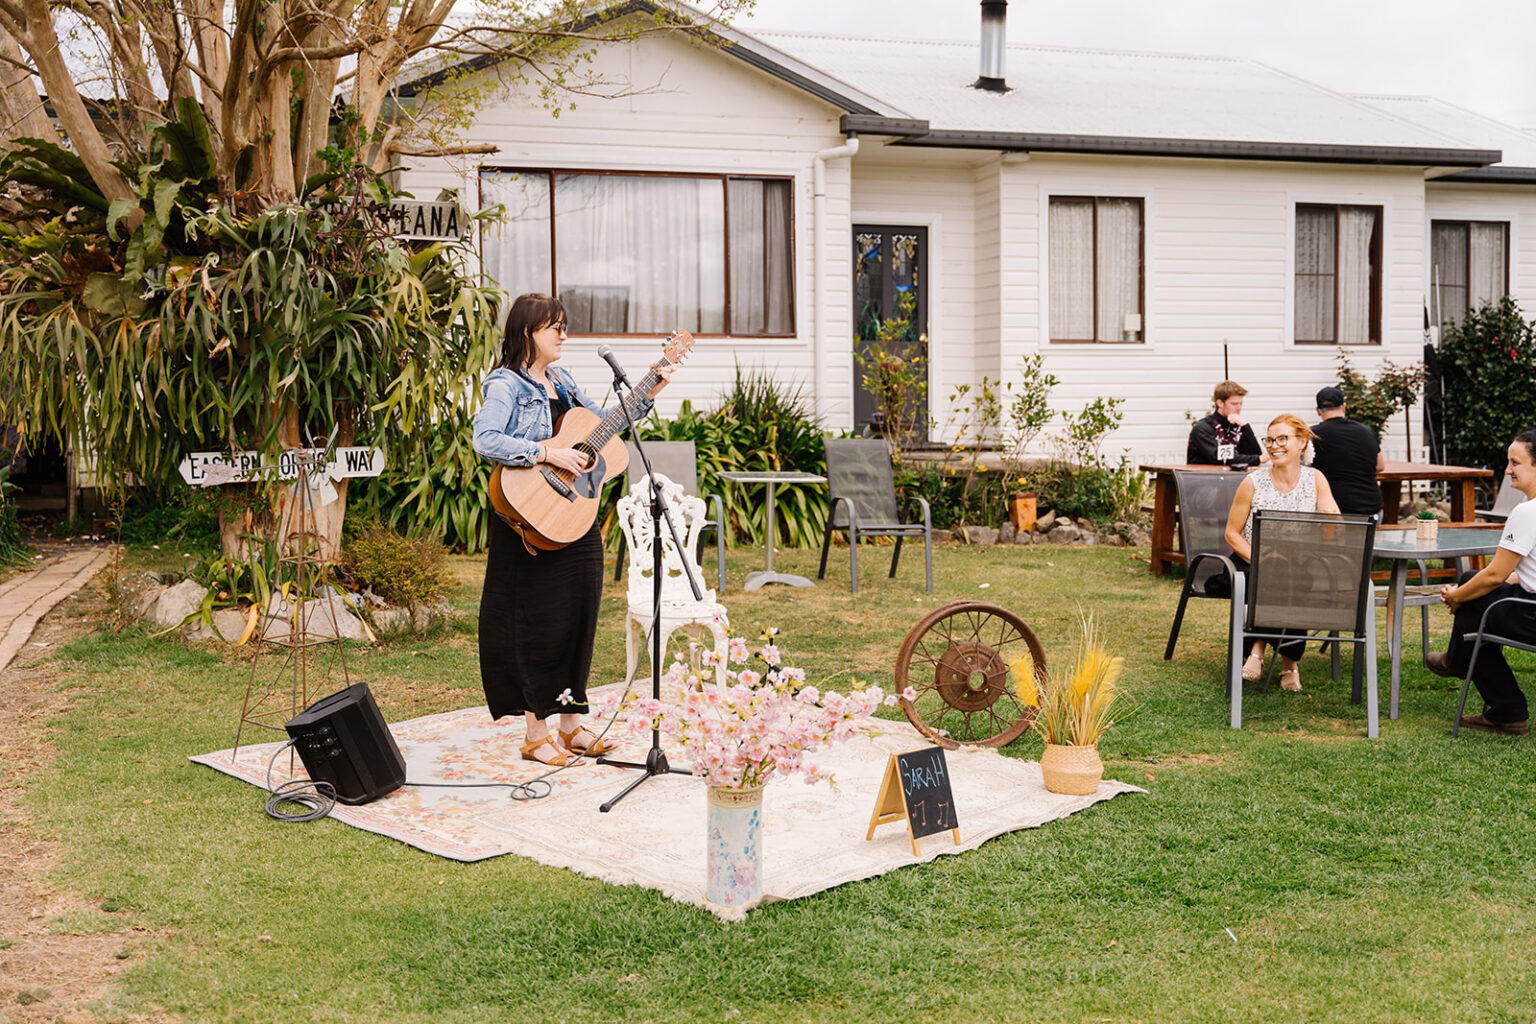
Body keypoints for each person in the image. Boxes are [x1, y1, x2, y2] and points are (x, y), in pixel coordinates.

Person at [472, 293, 673, 766]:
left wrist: (649, 390)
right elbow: (485, 438)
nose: (563, 335)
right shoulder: (504, 384)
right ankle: (534, 733)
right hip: (527, 515)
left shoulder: (562, 379)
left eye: (563, 326)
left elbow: (603, 426)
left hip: (574, 516)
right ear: (527, 332)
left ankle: (571, 726)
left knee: (578, 617)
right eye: (553, 327)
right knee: (533, 625)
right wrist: (547, 453)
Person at [1423, 429, 1536, 736]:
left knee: (1473, 606)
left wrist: (1458, 597)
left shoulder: (1527, 512)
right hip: (1528, 601)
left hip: (1532, 614)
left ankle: (1504, 708)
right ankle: (1457, 661)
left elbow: (1495, 575)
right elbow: (1521, 574)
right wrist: (1464, 590)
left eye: (1515, 463)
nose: (1508, 470)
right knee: (1471, 583)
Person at [1223, 414, 1340, 692]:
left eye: (1282, 439)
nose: (1274, 446)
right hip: (1252, 560)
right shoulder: (1253, 482)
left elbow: (1332, 524)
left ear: (1302, 442)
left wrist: (1328, 523)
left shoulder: (1316, 479)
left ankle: (1258, 647)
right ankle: (1289, 665)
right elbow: (1231, 534)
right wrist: (1260, 559)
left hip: (1297, 562)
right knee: (1283, 576)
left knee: (1292, 574)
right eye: (1270, 440)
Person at [1310, 386, 1384, 518]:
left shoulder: (1313, 435)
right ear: (1343, 407)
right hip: (1372, 510)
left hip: (1335, 511)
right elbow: (1380, 466)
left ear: (1317, 410)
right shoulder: (1367, 431)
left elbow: (1305, 467)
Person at [1188, 381, 1264, 467]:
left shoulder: (1237, 425)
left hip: (1230, 477)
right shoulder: (1203, 427)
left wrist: (1245, 427)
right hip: (1203, 477)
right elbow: (1217, 457)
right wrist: (1256, 459)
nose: (1239, 408)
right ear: (1220, 403)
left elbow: (1255, 455)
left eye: (1241, 404)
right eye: (1234, 404)